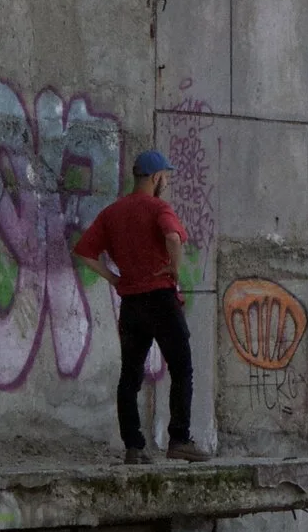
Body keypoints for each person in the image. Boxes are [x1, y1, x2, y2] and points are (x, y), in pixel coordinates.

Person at [71, 150, 211, 464]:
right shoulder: (158, 207)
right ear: (156, 177)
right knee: (182, 368)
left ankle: (134, 447)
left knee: (130, 377)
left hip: (131, 303)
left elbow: (83, 252)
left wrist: (114, 277)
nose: (167, 183)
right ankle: (179, 440)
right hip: (161, 299)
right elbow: (173, 237)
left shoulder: (112, 213)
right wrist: (174, 269)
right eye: (166, 177)